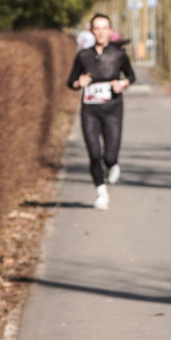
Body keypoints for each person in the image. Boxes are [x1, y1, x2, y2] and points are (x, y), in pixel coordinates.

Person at [67, 13, 136, 210]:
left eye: (104, 28)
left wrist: (122, 84)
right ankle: (101, 192)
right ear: (91, 31)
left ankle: (113, 165)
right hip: (90, 110)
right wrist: (78, 82)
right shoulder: (83, 55)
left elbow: (131, 76)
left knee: (110, 156)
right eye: (96, 28)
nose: (100, 32)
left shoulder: (118, 54)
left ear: (110, 31)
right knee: (94, 153)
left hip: (113, 109)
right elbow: (70, 81)